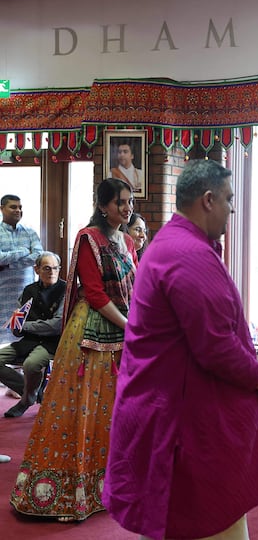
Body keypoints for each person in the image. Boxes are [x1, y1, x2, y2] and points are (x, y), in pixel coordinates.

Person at [103, 160, 258, 540]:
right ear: (209, 200)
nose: (233, 209)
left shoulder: (173, 242)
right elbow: (216, 347)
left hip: (168, 405)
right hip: (182, 423)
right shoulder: (188, 253)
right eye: (230, 200)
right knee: (203, 524)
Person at [10, 178, 137, 522]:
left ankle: (111, 484)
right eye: (120, 203)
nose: (127, 208)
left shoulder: (127, 240)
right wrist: (129, 326)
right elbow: (94, 293)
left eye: (129, 202)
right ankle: (71, 489)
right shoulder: (88, 238)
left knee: (115, 409)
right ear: (103, 205)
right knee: (80, 408)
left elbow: (134, 287)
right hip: (90, 333)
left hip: (123, 333)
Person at [0, 251, 65, 417]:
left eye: (55, 269)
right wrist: (15, 324)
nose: (52, 273)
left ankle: (26, 399)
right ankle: (30, 393)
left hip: (52, 342)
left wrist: (25, 326)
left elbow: (55, 326)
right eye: (47, 268)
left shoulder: (66, 290)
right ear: (36, 270)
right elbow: (16, 327)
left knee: (31, 364)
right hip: (28, 342)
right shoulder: (28, 290)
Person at [0, 194, 44, 346]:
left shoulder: (30, 232)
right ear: (1, 209)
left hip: (24, 291)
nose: (18, 210)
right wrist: (23, 251)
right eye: (13, 207)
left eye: (20, 207)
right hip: (2, 292)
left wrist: (9, 265)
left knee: (20, 333)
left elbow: (38, 256)